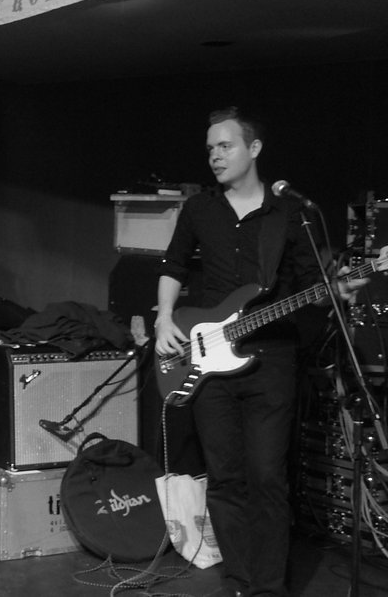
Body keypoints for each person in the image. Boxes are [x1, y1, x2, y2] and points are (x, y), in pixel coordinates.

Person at [154, 106, 365, 597]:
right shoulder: (200, 209)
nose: (215, 155)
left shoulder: (289, 213)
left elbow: (313, 285)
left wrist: (337, 289)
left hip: (271, 360)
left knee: (268, 476)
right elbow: (173, 264)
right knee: (225, 478)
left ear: (253, 149)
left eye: (225, 146)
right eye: (210, 148)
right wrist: (164, 318)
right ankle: (239, 581)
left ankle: (269, 588)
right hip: (209, 360)